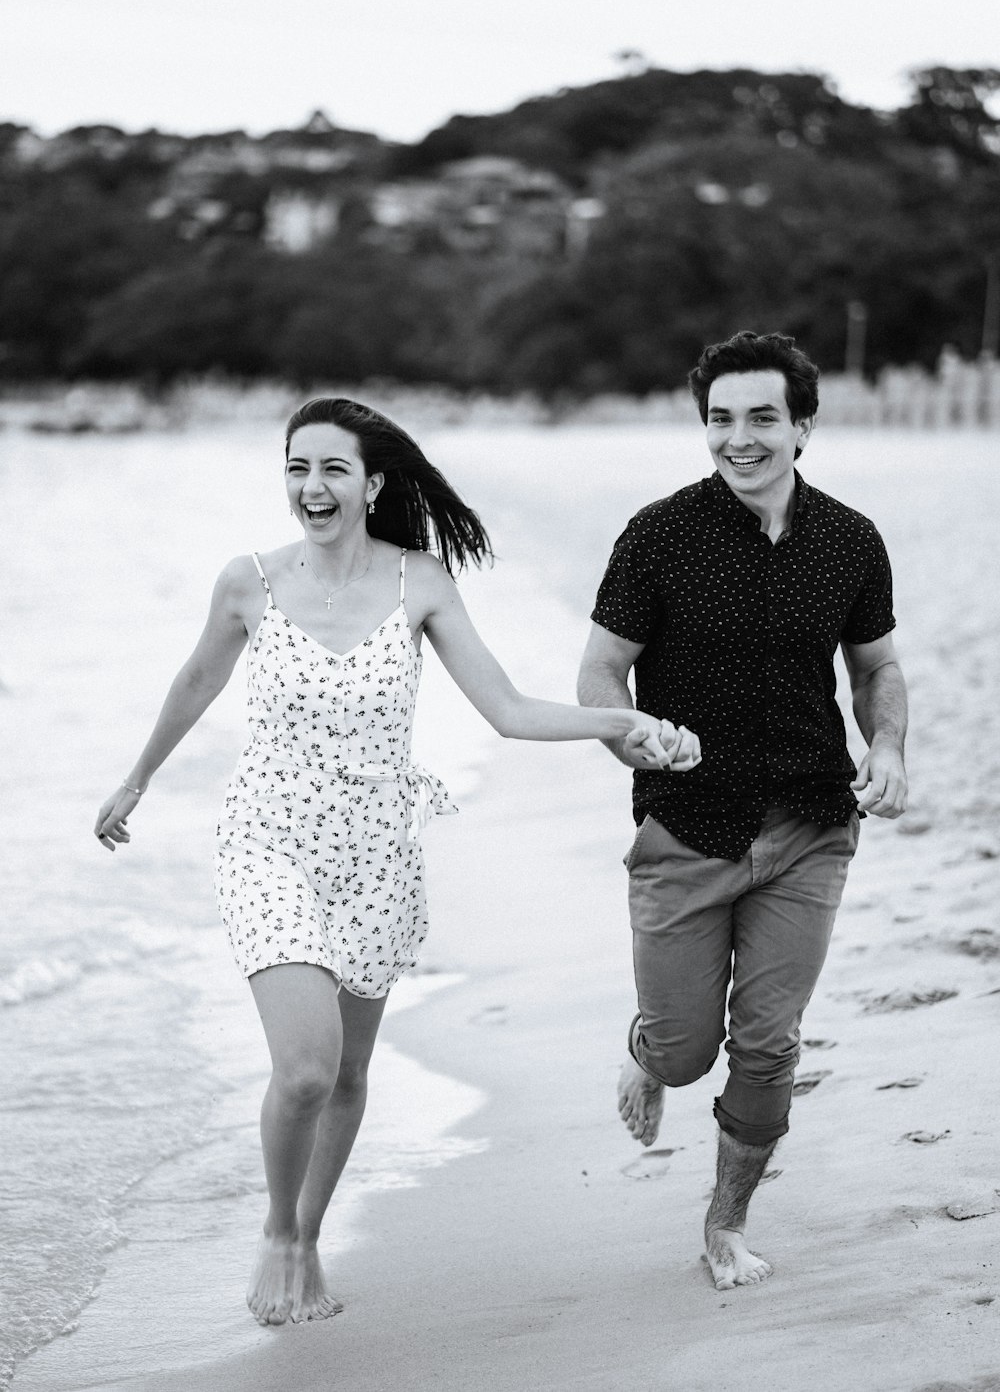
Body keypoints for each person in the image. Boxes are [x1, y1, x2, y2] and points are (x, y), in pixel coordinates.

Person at [94, 396, 699, 1328]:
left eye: (333, 468)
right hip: (269, 842)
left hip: (379, 856)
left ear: (373, 484)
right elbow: (196, 680)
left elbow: (507, 708)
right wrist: (136, 779)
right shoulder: (248, 581)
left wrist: (620, 723)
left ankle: (309, 1234)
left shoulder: (421, 581)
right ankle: (276, 1232)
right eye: (297, 467)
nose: (311, 486)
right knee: (303, 1067)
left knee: (345, 1076)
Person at [577, 331, 908, 1291]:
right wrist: (630, 732)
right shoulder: (659, 534)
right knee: (687, 1054)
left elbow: (876, 666)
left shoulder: (849, 539)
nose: (739, 438)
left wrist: (885, 747)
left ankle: (725, 1223)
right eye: (721, 418)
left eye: (762, 417)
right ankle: (648, 1051)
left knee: (768, 1043)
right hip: (687, 828)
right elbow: (602, 669)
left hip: (811, 826)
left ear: (803, 426)